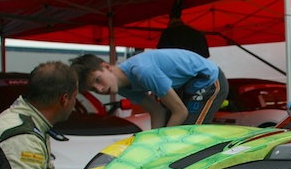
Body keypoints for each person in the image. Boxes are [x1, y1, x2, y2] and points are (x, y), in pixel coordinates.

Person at [70, 49, 229, 128]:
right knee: (176, 130)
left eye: (98, 80)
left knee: (188, 133)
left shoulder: (142, 71)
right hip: (187, 84)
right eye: (93, 89)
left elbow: (180, 112)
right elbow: (157, 111)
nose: (101, 89)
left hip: (208, 79)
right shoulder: (122, 87)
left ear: (107, 67)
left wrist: (160, 144)